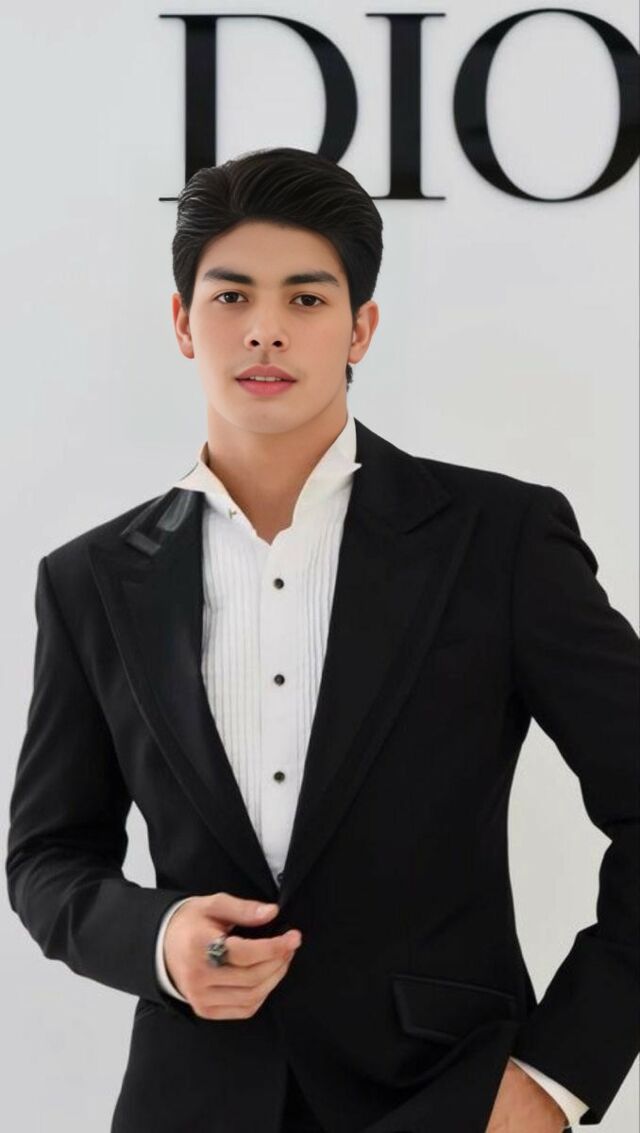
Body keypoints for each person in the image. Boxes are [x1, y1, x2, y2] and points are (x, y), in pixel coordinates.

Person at [6, 147, 639, 1133]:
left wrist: (555, 1078)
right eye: (230, 297)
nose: (264, 328)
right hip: (191, 1102)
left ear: (361, 328)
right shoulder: (90, 579)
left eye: (305, 298)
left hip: (448, 1095)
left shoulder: (498, 539)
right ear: (182, 322)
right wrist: (161, 940)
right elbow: (48, 857)